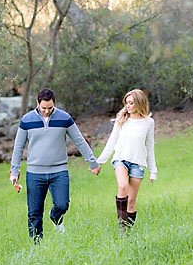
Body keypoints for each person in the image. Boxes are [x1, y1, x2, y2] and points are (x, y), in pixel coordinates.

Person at [10, 88, 101, 241]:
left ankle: (55, 216)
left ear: (54, 104)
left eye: (50, 108)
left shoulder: (64, 118)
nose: (46, 111)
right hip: (35, 173)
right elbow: (18, 147)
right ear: (37, 103)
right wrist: (14, 170)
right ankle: (37, 247)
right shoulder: (26, 120)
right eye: (43, 108)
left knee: (62, 204)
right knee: (34, 213)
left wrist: (92, 162)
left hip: (59, 171)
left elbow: (79, 140)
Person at [96, 88, 158, 230]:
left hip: (138, 163)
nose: (127, 106)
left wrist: (153, 170)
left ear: (139, 103)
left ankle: (128, 233)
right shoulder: (122, 119)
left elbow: (149, 147)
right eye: (126, 103)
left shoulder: (148, 123)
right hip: (120, 159)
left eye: (131, 103)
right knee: (122, 186)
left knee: (131, 202)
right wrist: (99, 161)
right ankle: (121, 229)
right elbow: (112, 142)